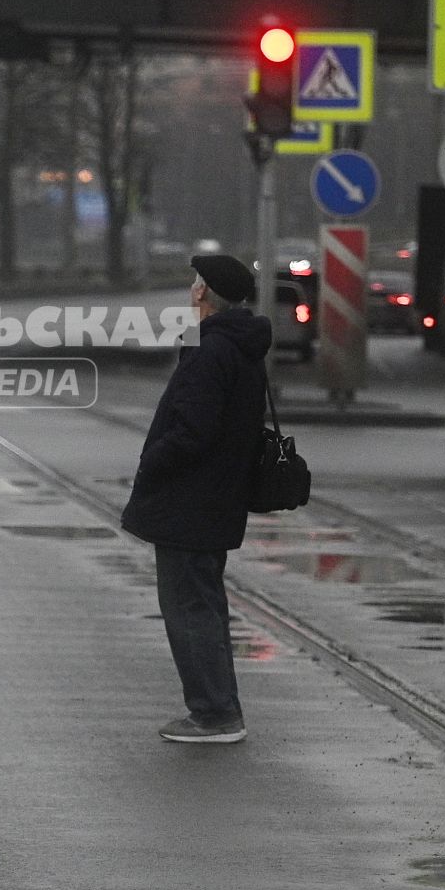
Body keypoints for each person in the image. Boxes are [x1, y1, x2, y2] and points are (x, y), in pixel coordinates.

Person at [122, 253, 272, 744]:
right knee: (204, 606)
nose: (191, 289)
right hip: (217, 497)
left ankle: (213, 714)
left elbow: (192, 430)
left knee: (189, 609)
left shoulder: (210, 351)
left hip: (191, 501)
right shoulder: (240, 347)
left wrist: (153, 462)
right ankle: (219, 708)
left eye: (194, 282)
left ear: (203, 292)